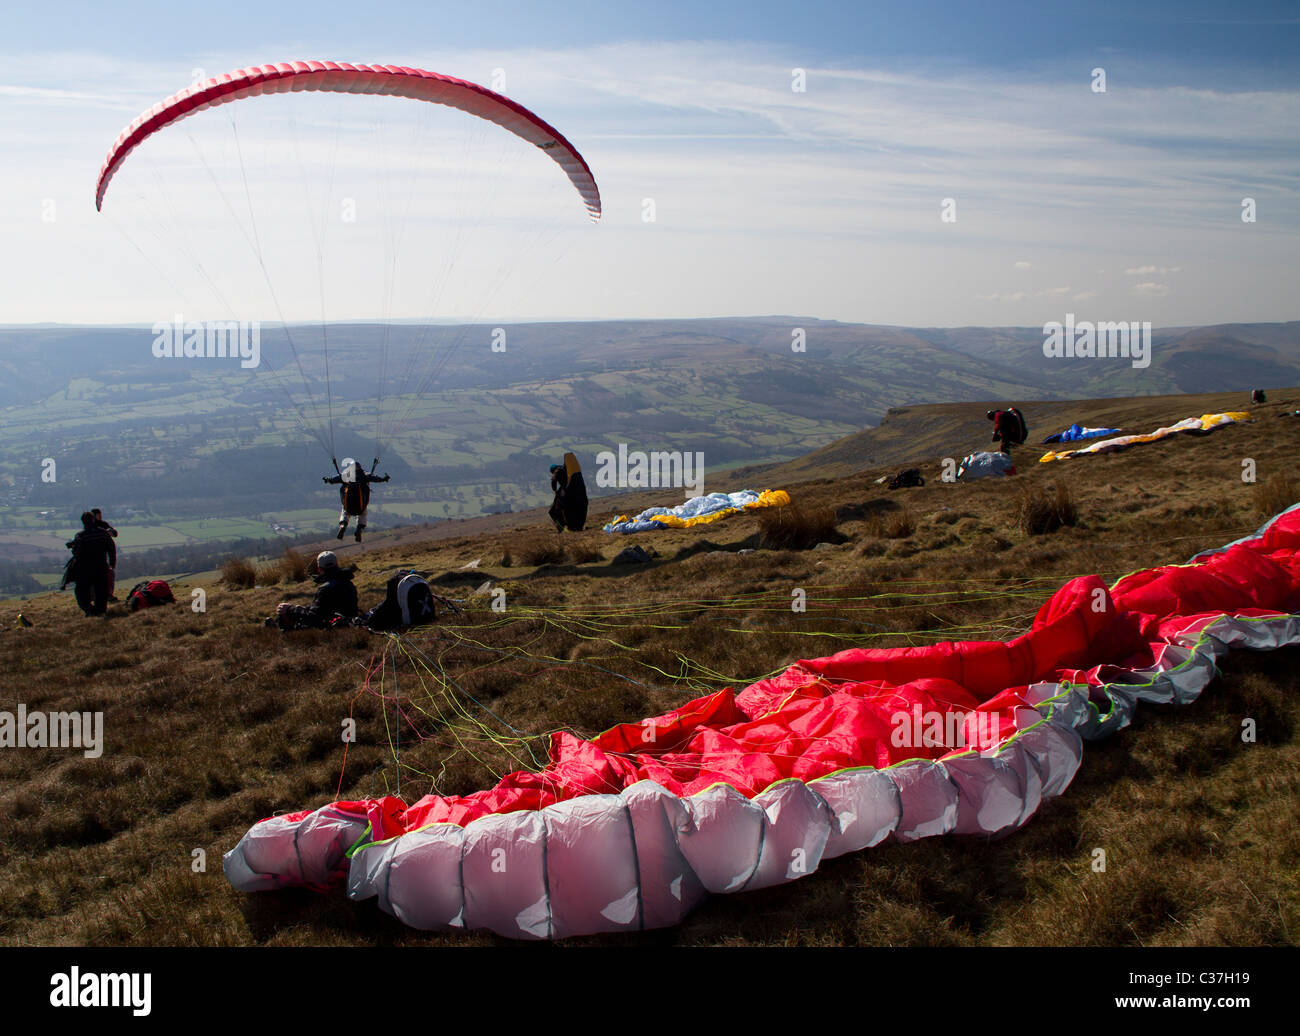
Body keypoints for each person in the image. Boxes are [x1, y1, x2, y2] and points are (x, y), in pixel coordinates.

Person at [273, 551, 358, 630]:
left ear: (319, 569)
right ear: (337, 564)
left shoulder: (325, 589)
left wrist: (291, 609)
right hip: (349, 621)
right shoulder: (348, 583)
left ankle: (279, 632)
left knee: (284, 612)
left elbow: (315, 617)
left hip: (329, 626)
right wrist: (302, 609)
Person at [323, 458, 390, 542]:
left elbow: (334, 479)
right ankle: (359, 529)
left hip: (348, 506)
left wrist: (328, 479)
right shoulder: (364, 475)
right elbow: (374, 478)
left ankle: (343, 525)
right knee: (363, 514)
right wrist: (384, 479)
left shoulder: (345, 475)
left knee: (345, 511)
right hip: (360, 506)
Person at [65, 511, 116, 617]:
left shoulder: (81, 535)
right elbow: (111, 547)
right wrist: (112, 563)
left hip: (85, 569)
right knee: (101, 590)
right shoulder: (103, 533)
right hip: (101, 566)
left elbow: (76, 552)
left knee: (82, 592)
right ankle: (100, 611)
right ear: (93, 520)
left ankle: (89, 610)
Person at [91, 508, 119, 601]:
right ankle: (102, 595)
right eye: (98, 515)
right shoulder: (94, 526)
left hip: (101, 554)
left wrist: (111, 532)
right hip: (97, 555)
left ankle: (106, 594)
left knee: (107, 575)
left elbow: (115, 533)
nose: (100, 516)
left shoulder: (103, 525)